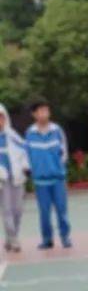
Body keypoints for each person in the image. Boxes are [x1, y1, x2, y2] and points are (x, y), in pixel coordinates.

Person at [23, 100, 72, 250]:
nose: (44, 113)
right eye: (41, 111)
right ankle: (47, 239)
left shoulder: (57, 130)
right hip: (40, 181)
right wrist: (32, 170)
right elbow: (27, 155)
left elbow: (64, 152)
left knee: (62, 211)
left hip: (57, 179)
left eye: (46, 110)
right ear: (34, 114)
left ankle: (65, 237)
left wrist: (59, 168)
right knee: (44, 213)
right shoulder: (30, 133)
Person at [0, 103, 28, 252]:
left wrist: (25, 166)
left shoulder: (12, 136)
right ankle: (14, 239)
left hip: (17, 178)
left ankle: (11, 238)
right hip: (2, 181)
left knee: (18, 210)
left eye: (1, 117)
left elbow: (24, 152)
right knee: (7, 210)